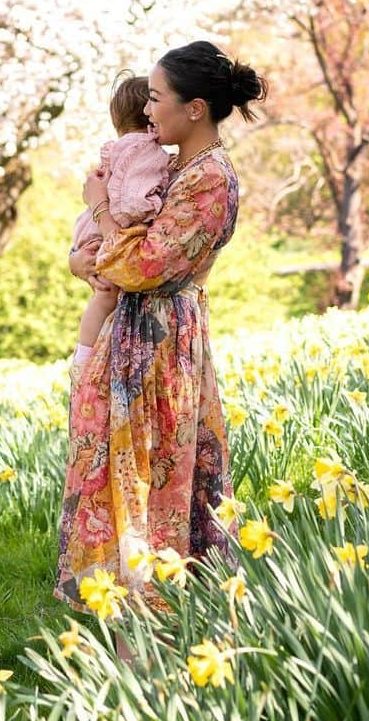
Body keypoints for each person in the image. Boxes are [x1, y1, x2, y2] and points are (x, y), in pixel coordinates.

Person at [55, 39, 268, 656]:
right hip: (134, 338)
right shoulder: (171, 166)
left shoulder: (210, 181)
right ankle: (135, 638)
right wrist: (86, 256)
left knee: (156, 479)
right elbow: (103, 261)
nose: (146, 111)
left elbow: (143, 263)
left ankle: (157, 641)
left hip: (162, 346)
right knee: (125, 478)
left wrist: (97, 208)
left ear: (195, 108)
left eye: (155, 98)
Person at [68, 72, 171, 390]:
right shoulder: (145, 150)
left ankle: (83, 356)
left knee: (103, 295)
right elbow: (132, 201)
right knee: (105, 294)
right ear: (149, 115)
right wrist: (150, 213)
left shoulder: (119, 148)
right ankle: (83, 358)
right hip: (110, 229)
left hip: (92, 228)